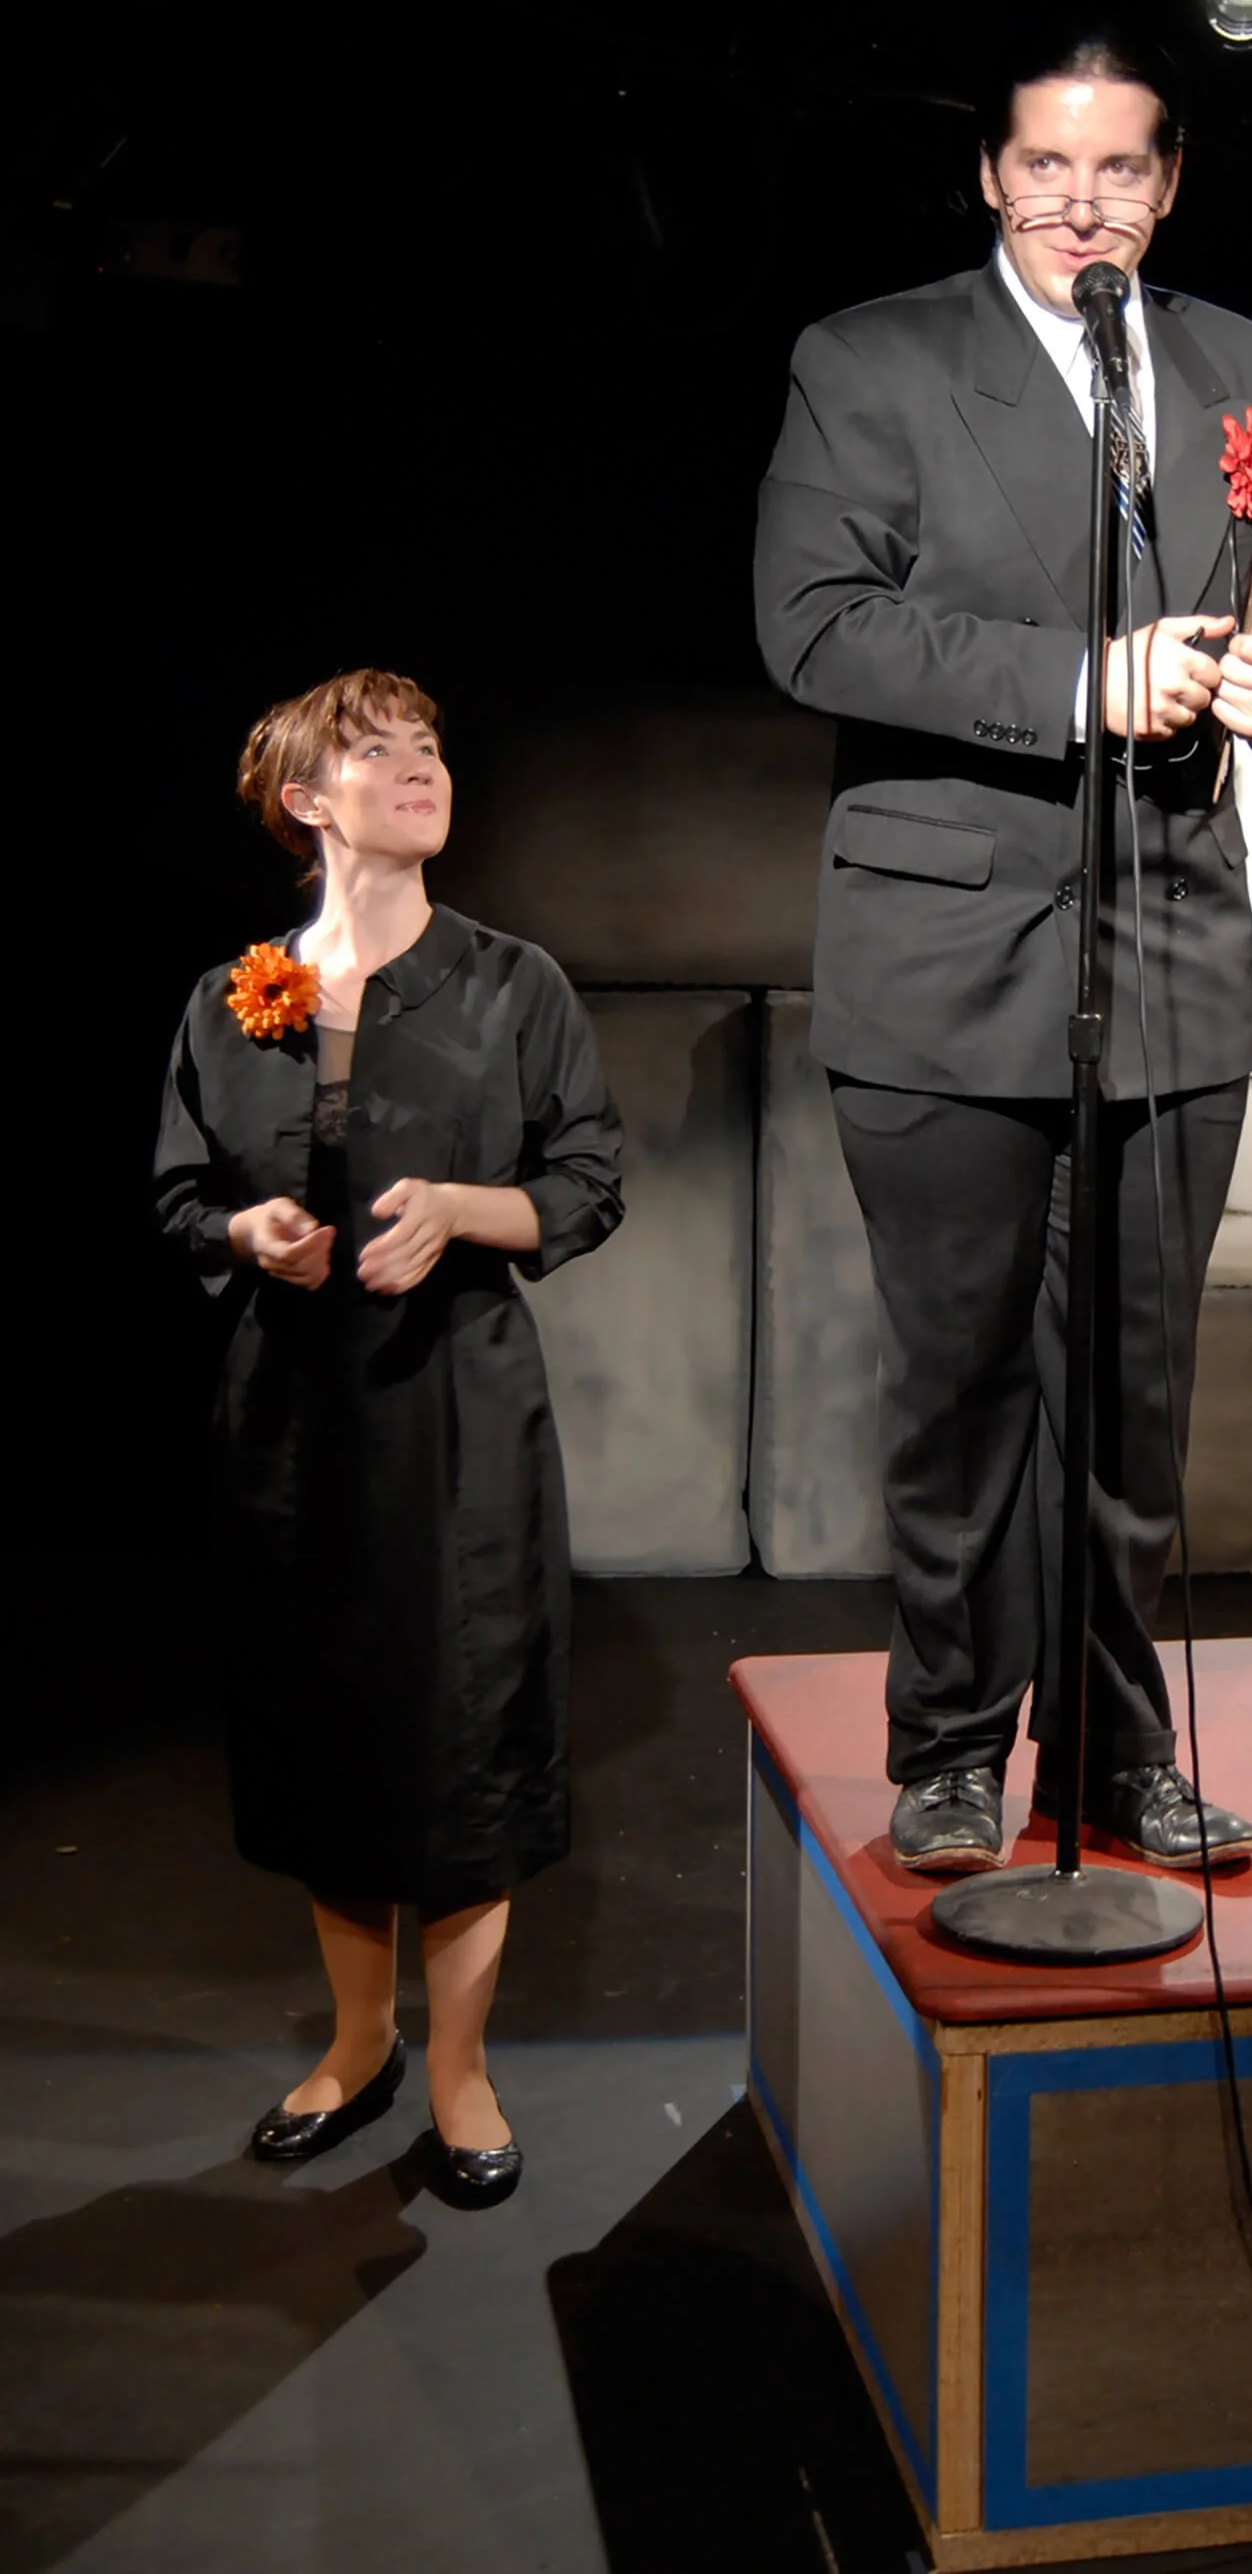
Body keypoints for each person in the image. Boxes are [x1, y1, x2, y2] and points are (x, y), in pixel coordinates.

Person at [756, 21, 1252, 1874]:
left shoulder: (1244, 365)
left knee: (1131, 1405)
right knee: (959, 1386)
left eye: (1119, 172)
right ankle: (948, 1743)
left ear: (1166, 186)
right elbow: (816, 625)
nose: (1081, 203)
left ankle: (1110, 1752)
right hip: (945, 956)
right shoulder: (873, 357)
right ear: (993, 180)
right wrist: (1086, 681)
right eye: (1047, 169)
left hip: (1167, 946)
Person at [154, 669, 621, 2200]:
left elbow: (590, 1178)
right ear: (306, 801)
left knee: (468, 1731)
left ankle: (464, 2069)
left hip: (461, 1410)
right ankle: (359, 2047)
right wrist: (249, 1230)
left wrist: (464, 1214)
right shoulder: (233, 996)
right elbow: (175, 1199)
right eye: (377, 750)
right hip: (291, 1424)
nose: (420, 765)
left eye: (431, 744)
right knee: (327, 1731)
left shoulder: (511, 984)